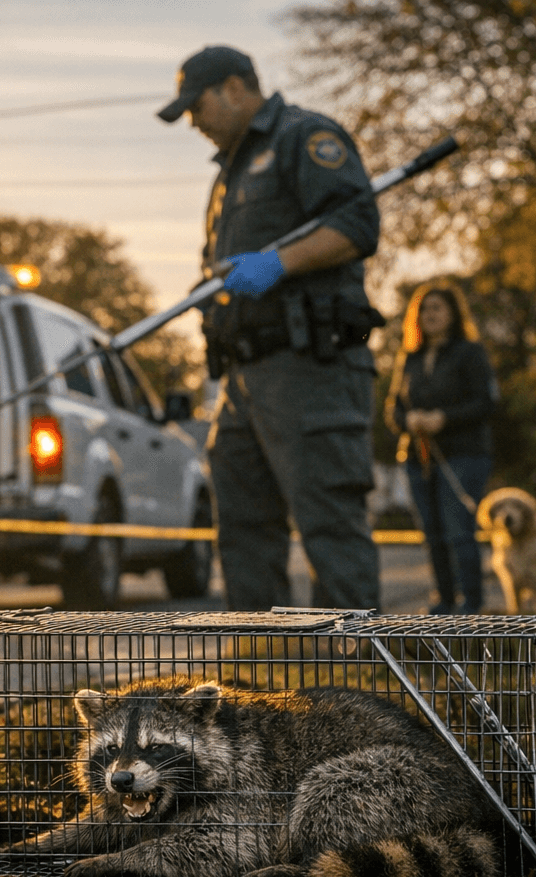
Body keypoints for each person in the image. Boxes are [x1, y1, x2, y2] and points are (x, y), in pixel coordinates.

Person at [157, 46, 384, 611]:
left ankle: (356, 684)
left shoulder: (303, 137)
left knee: (329, 523)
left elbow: (356, 225)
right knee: (243, 531)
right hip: (241, 377)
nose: (193, 121)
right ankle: (257, 681)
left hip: (309, 367)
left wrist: (277, 264)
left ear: (235, 88)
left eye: (197, 105)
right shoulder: (228, 174)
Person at [386, 282, 497, 614]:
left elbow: (486, 402)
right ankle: (443, 603)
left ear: (452, 313)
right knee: (431, 534)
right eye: (424, 308)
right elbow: (393, 410)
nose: (429, 314)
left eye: (437, 308)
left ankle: (471, 604)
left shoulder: (470, 352)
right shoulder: (410, 358)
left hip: (463, 455)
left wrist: (443, 419)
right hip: (418, 459)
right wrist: (410, 421)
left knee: (459, 530)